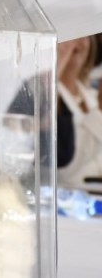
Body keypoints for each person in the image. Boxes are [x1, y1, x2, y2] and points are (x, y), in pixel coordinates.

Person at [56, 35, 102, 186]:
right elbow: (64, 166)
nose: (78, 41)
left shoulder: (92, 95)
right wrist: (99, 112)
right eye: (68, 35)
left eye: (85, 36)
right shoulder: (47, 100)